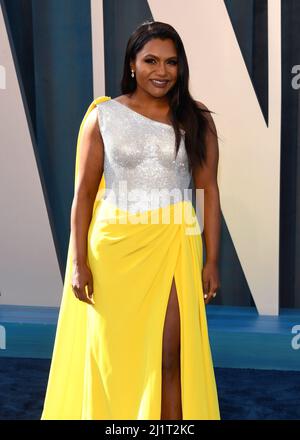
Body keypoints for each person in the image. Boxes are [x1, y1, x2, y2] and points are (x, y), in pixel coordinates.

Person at [41, 20, 221, 420]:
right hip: (113, 253)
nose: (162, 71)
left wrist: (211, 260)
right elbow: (84, 195)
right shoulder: (103, 116)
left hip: (173, 245)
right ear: (133, 64)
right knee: (113, 359)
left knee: (170, 355)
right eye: (151, 60)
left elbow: (208, 191)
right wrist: (79, 262)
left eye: (171, 63)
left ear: (181, 67)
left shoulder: (196, 119)